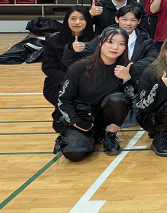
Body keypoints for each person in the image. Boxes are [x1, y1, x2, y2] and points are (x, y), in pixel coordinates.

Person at [54, 27, 135, 161]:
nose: (115, 47)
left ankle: (110, 135)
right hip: (82, 116)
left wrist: (127, 80)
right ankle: (93, 136)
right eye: (110, 42)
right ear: (100, 43)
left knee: (119, 99)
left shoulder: (127, 68)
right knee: (74, 152)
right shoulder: (79, 67)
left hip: (105, 117)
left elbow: (135, 100)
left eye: (121, 44)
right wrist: (76, 121)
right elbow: (64, 100)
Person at [62, 5, 158, 83]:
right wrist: (72, 49)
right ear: (117, 19)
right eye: (124, 19)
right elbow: (74, 60)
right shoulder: (103, 38)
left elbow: (153, 60)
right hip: (104, 81)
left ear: (138, 21)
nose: (128, 23)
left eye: (133, 20)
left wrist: (130, 68)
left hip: (132, 81)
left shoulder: (145, 41)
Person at [42, 6, 95, 133]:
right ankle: (61, 116)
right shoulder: (54, 41)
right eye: (73, 18)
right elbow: (48, 68)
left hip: (87, 83)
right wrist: (69, 81)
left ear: (88, 21)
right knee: (65, 96)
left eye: (82, 19)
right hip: (59, 83)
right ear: (67, 20)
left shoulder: (95, 40)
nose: (77, 22)